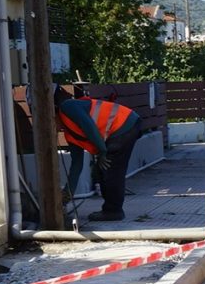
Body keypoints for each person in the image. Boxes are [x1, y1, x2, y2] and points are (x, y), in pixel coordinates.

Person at [54, 85, 145, 222]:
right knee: (102, 170)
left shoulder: (68, 106)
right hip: (122, 127)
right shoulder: (70, 133)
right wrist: (66, 195)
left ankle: (113, 211)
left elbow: (88, 126)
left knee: (110, 169)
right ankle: (111, 209)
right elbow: (76, 166)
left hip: (123, 124)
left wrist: (102, 151)